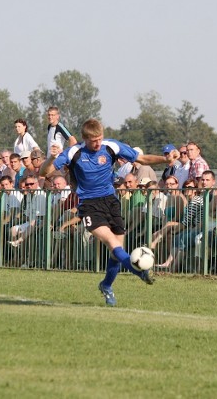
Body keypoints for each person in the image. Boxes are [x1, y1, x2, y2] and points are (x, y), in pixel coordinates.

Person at [40, 118, 165, 306]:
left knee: (117, 252)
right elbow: (44, 172)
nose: (98, 143)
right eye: (93, 140)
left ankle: (106, 285)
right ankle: (140, 271)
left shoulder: (111, 146)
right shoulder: (74, 152)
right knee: (112, 243)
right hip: (89, 205)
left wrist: (166, 159)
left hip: (111, 202)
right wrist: (51, 157)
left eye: (100, 138)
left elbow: (142, 159)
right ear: (84, 139)